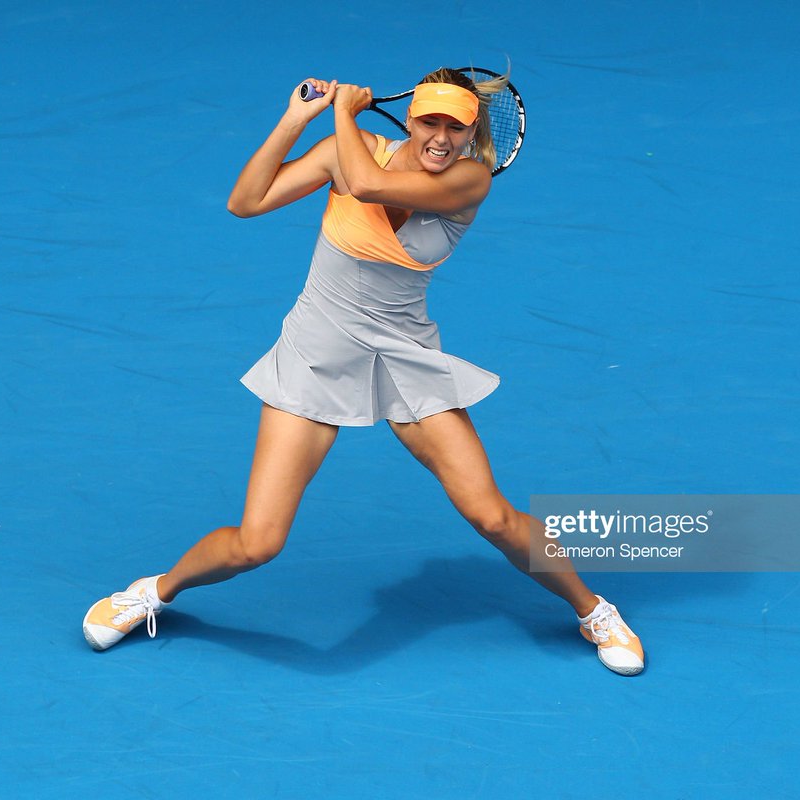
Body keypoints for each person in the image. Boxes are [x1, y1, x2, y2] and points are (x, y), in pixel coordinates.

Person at [81, 68, 645, 676]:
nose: (441, 138)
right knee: (258, 542)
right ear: (409, 118)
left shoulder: (469, 178)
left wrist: (343, 114)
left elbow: (371, 187)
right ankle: (155, 591)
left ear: (471, 131)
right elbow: (244, 203)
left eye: (456, 127)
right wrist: (298, 119)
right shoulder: (344, 153)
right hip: (315, 355)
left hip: (405, 358)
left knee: (491, 515)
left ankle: (594, 611)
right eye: (429, 121)